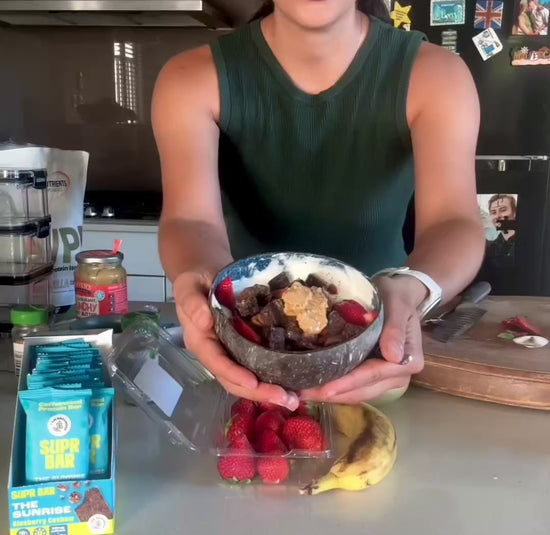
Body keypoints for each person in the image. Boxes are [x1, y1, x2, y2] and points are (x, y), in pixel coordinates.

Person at [151, 0, 485, 410]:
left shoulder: (438, 76)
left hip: (379, 353)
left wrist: (413, 287)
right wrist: (209, 293)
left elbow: (454, 221)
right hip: (246, 356)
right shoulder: (189, 80)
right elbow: (189, 220)